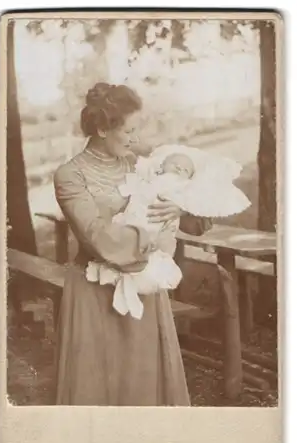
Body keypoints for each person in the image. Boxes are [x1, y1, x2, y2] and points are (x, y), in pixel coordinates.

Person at [53, 82, 211, 406]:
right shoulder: (70, 176)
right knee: (97, 387)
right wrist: (153, 239)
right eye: (128, 131)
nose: (135, 139)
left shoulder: (140, 166)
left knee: (142, 384)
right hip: (94, 294)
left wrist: (180, 206)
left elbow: (199, 220)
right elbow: (97, 236)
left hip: (145, 292)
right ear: (101, 128)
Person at [85, 148, 250, 320]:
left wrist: (183, 208)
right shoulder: (141, 172)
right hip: (120, 238)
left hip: (153, 244)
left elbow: (201, 224)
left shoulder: (183, 188)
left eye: (186, 170)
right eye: (127, 132)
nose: (179, 169)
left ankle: (128, 284)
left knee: (151, 274)